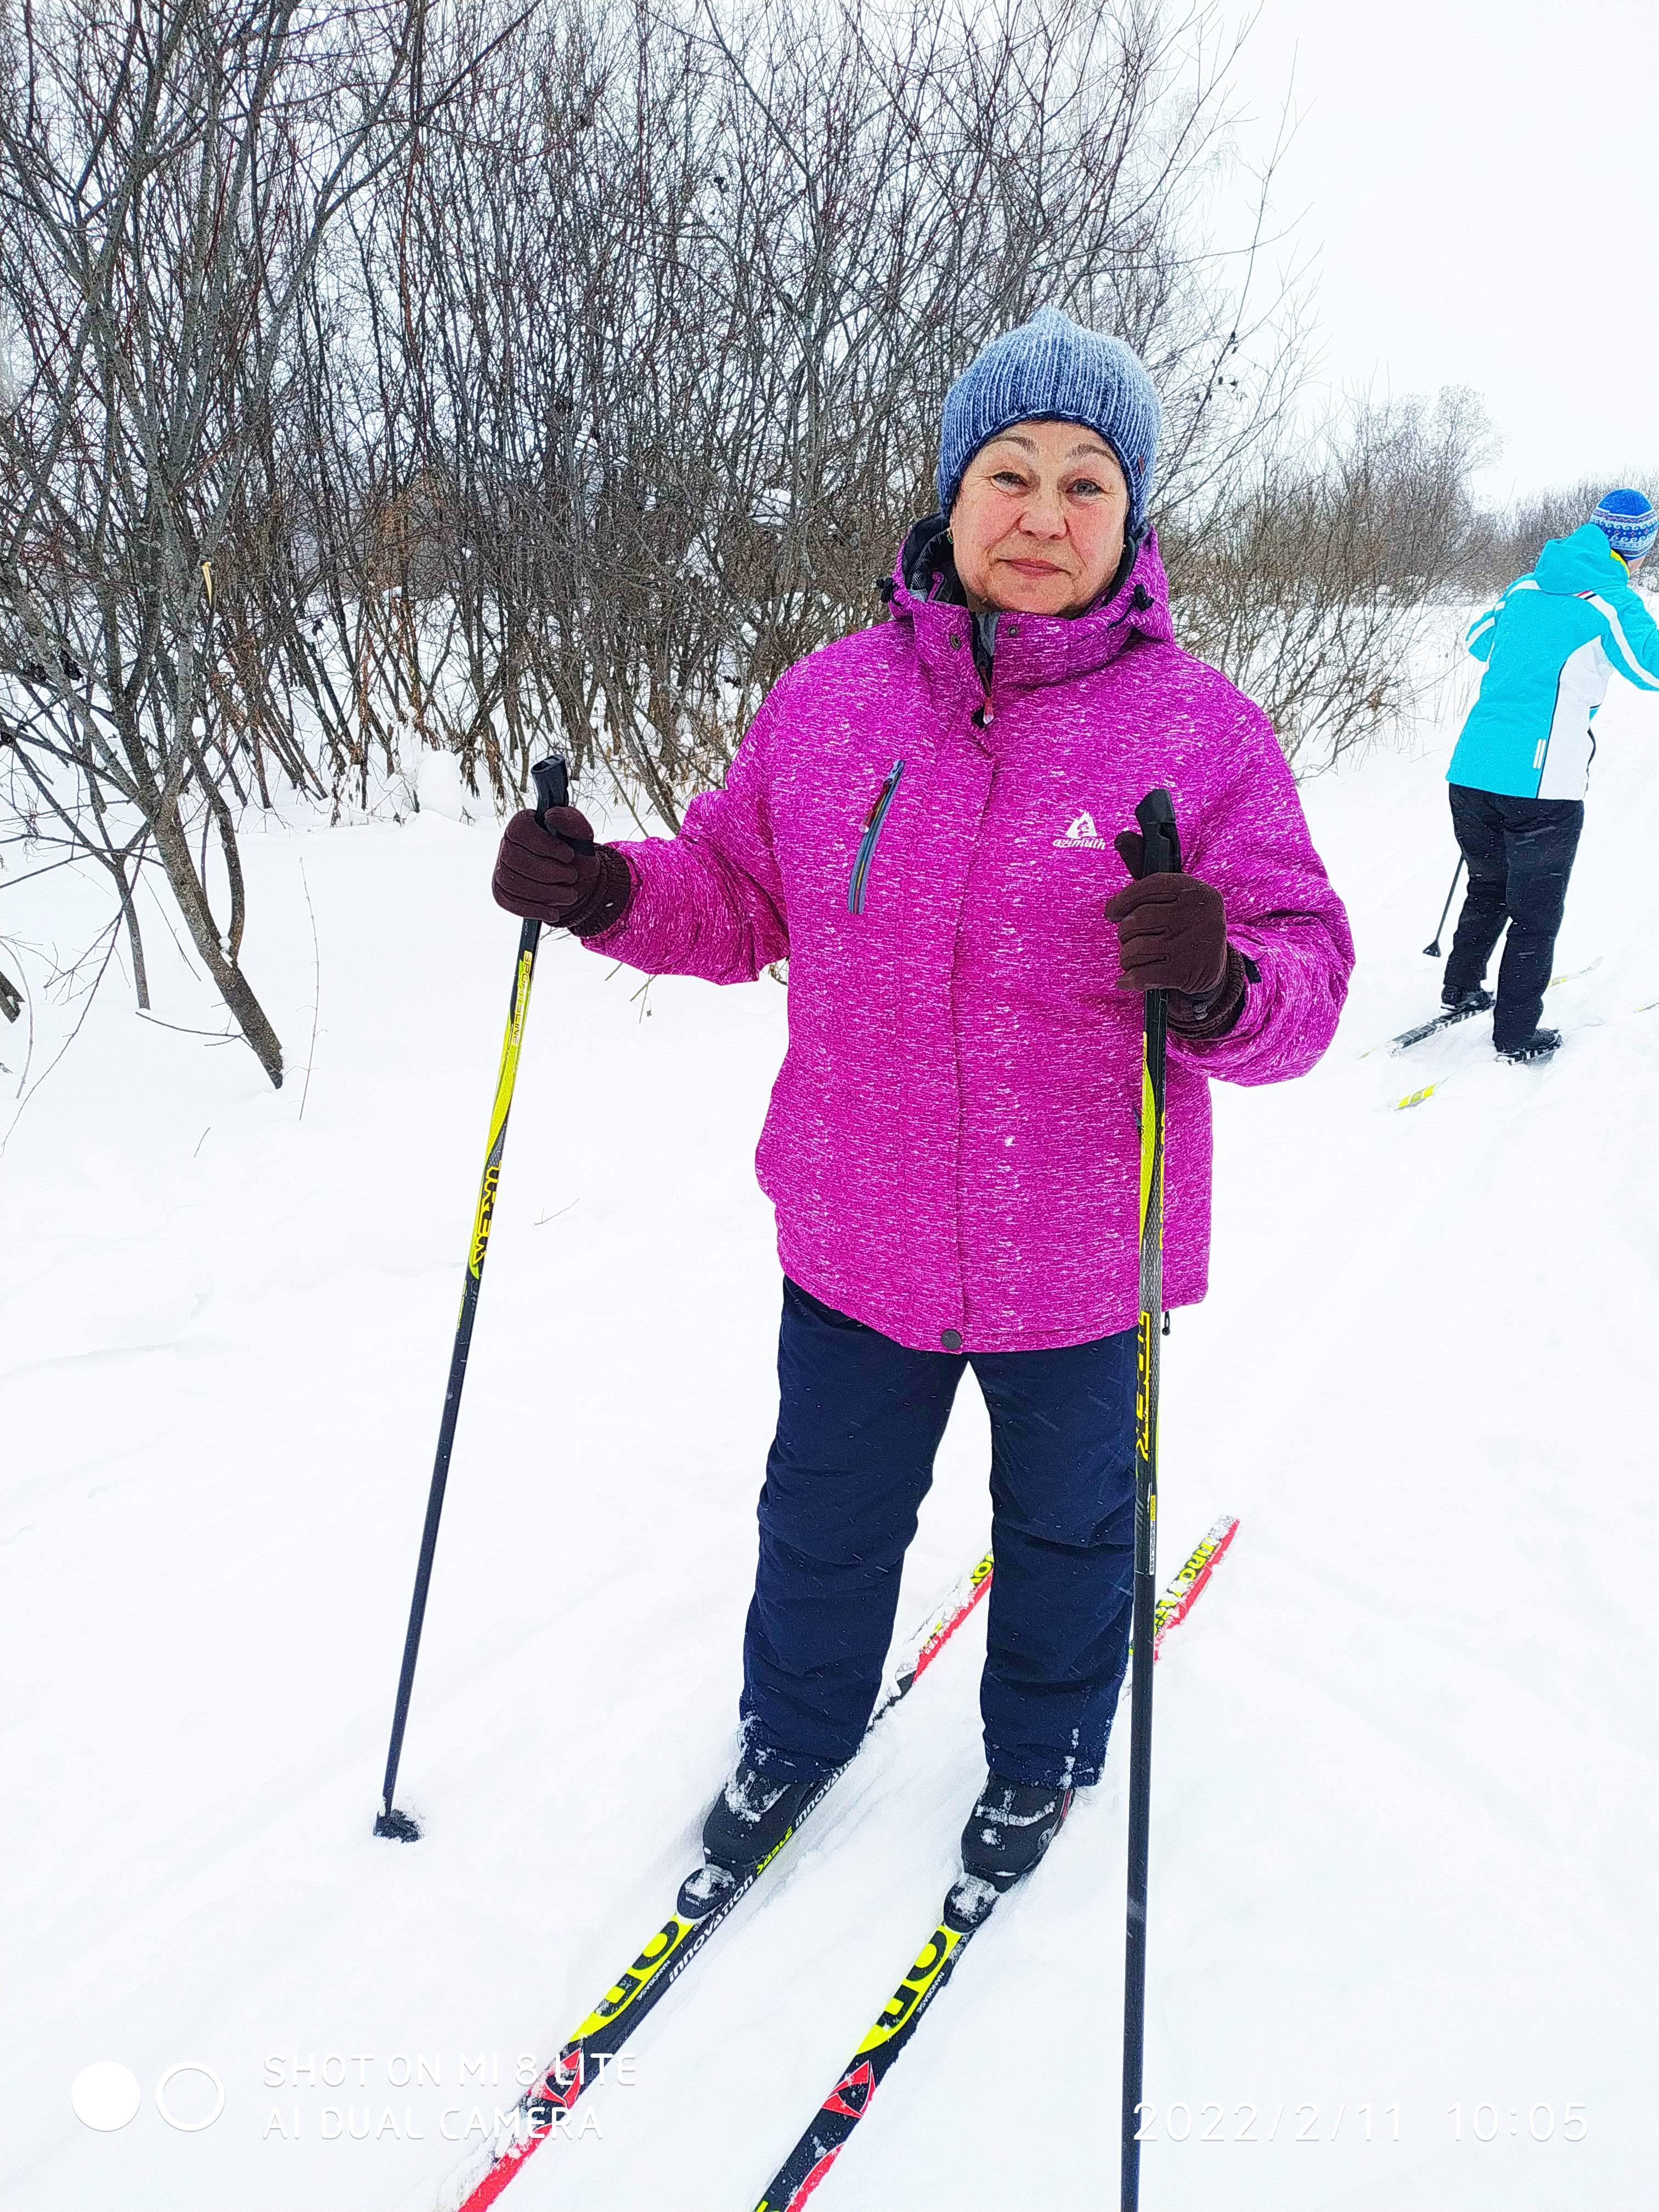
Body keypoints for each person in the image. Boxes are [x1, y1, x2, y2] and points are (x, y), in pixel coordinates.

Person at [492, 308, 1353, 1897]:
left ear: (1133, 519)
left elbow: (1309, 976)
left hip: (1085, 1258)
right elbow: (740, 893)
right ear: (951, 497)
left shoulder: (1201, 734)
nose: (1042, 513)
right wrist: (608, 888)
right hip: (855, 1233)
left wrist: (1223, 980)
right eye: (1011, 473)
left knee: (1073, 1543)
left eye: (1086, 482)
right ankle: (796, 1732)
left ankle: (1042, 1756)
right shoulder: (831, 701)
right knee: (823, 1527)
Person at [1439, 488, 1659, 1062]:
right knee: (1535, 914)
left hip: (1472, 770)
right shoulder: (1610, 601)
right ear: (1636, 545)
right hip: (1543, 785)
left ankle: (1461, 986)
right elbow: (1649, 669)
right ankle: (1516, 1036)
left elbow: (1478, 641)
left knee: (1488, 884)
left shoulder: (1526, 585)